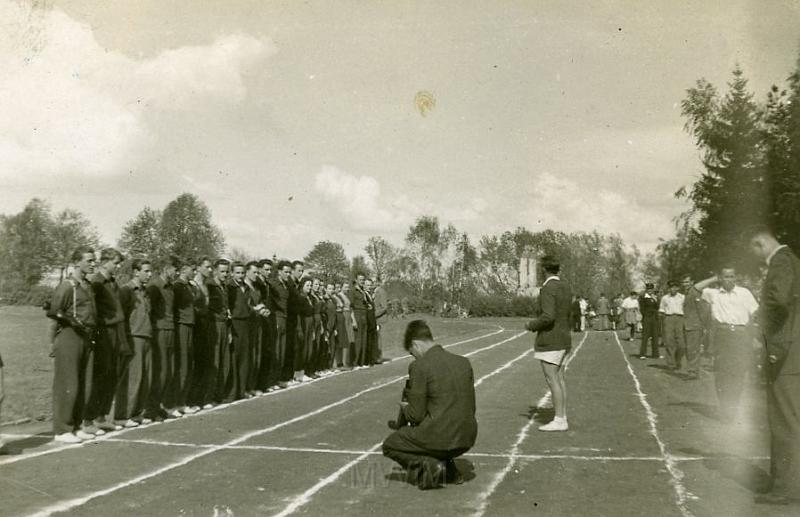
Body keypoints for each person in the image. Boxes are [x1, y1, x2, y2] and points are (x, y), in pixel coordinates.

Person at [382, 320, 477, 489]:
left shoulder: (420, 366)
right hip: (467, 436)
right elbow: (471, 407)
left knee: (391, 444)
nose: (414, 356)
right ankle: (449, 470)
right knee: (437, 424)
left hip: (441, 437)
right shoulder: (463, 362)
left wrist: (404, 407)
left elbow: (415, 415)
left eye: (412, 353)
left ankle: (430, 466)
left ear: (415, 344)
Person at [749, 228, 800, 505]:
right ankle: (784, 481)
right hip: (794, 350)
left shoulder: (781, 262)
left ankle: (786, 489)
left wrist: (764, 327)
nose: (757, 260)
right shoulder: (793, 260)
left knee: (784, 422)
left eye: (754, 252)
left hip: (786, 353)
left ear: (760, 244)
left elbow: (778, 300)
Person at [47, 247, 99, 443]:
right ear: (77, 262)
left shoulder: (87, 285)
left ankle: (76, 425)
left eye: (94, 260)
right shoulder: (68, 286)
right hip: (70, 336)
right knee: (69, 383)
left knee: (84, 382)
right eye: (89, 260)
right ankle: (62, 428)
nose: (93, 264)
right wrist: (52, 343)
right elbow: (54, 314)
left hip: (87, 336)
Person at [695, 267, 759, 422]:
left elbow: (755, 314)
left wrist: (755, 337)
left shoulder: (745, 293)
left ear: (735, 277)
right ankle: (725, 409)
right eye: (725, 277)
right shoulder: (714, 293)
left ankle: (733, 408)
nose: (729, 279)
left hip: (740, 336)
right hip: (722, 336)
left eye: (732, 276)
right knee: (722, 374)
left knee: (738, 374)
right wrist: (713, 279)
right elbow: (696, 289)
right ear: (721, 278)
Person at [524, 255, 573, 431]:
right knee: (559, 378)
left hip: (551, 339)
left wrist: (531, 325)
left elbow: (548, 316)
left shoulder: (548, 288)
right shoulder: (565, 286)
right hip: (564, 337)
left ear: (543, 270)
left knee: (552, 379)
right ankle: (562, 416)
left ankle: (560, 420)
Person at [88, 247, 127, 432]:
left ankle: (102, 415)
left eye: (119, 263)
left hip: (115, 332)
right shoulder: (96, 282)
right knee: (101, 375)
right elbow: (92, 311)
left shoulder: (113, 282)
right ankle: (91, 417)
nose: (118, 266)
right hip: (103, 333)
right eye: (115, 263)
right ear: (105, 261)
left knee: (112, 374)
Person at [118, 258, 154, 426]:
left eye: (150, 271)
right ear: (135, 272)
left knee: (146, 377)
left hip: (146, 336)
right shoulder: (127, 290)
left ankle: (138, 413)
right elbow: (121, 317)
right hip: (134, 336)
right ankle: (123, 415)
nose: (149, 274)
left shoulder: (145, 291)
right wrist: (124, 341)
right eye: (146, 271)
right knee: (134, 377)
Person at [147, 256, 179, 419]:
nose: (177, 272)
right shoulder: (155, 286)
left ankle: (158, 405)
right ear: (167, 269)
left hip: (170, 330)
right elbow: (148, 311)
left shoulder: (170, 287)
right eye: (175, 269)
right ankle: (151, 409)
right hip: (159, 331)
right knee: (160, 371)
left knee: (169, 371)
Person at [172, 258, 199, 414]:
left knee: (188, 364)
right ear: (184, 269)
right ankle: (176, 402)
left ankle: (183, 401)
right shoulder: (178, 286)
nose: (194, 273)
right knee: (181, 365)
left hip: (189, 325)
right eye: (192, 270)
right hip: (181, 326)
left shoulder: (189, 286)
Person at [207, 259, 232, 403]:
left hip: (224, 325)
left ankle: (220, 393)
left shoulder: (225, 287)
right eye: (222, 271)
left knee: (225, 361)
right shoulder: (210, 286)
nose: (225, 274)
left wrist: (228, 330)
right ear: (215, 271)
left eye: (227, 271)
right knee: (215, 361)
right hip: (214, 325)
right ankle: (210, 395)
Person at [681, 276, 709, 380]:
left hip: (695, 325)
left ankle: (693, 372)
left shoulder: (695, 293)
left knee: (693, 349)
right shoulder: (687, 293)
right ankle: (692, 371)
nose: (685, 284)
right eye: (684, 282)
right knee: (690, 349)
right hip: (688, 325)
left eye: (687, 282)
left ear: (692, 282)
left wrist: (704, 325)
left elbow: (702, 310)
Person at [659, 281, 686, 370]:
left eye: (675, 287)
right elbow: (662, 309)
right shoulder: (665, 298)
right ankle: (671, 364)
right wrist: (663, 319)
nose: (673, 289)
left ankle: (678, 360)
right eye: (671, 287)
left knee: (681, 344)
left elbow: (686, 309)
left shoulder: (682, 297)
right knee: (670, 342)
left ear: (678, 288)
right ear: (668, 288)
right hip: (668, 318)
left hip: (680, 319)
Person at [638, 284, 661, 360]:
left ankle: (655, 354)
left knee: (655, 335)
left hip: (654, 318)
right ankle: (643, 353)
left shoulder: (655, 297)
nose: (650, 291)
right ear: (646, 290)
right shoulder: (643, 298)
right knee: (645, 336)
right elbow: (642, 309)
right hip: (647, 318)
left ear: (653, 289)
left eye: (651, 289)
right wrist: (647, 314)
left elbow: (658, 307)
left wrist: (656, 300)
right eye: (648, 289)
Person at [372, 279, 390, 363]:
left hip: (378, 319)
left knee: (377, 338)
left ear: (379, 282)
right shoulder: (374, 291)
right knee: (374, 338)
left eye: (375, 282)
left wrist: (374, 314)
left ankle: (378, 357)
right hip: (373, 319)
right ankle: (375, 356)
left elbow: (384, 307)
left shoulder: (381, 292)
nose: (374, 283)